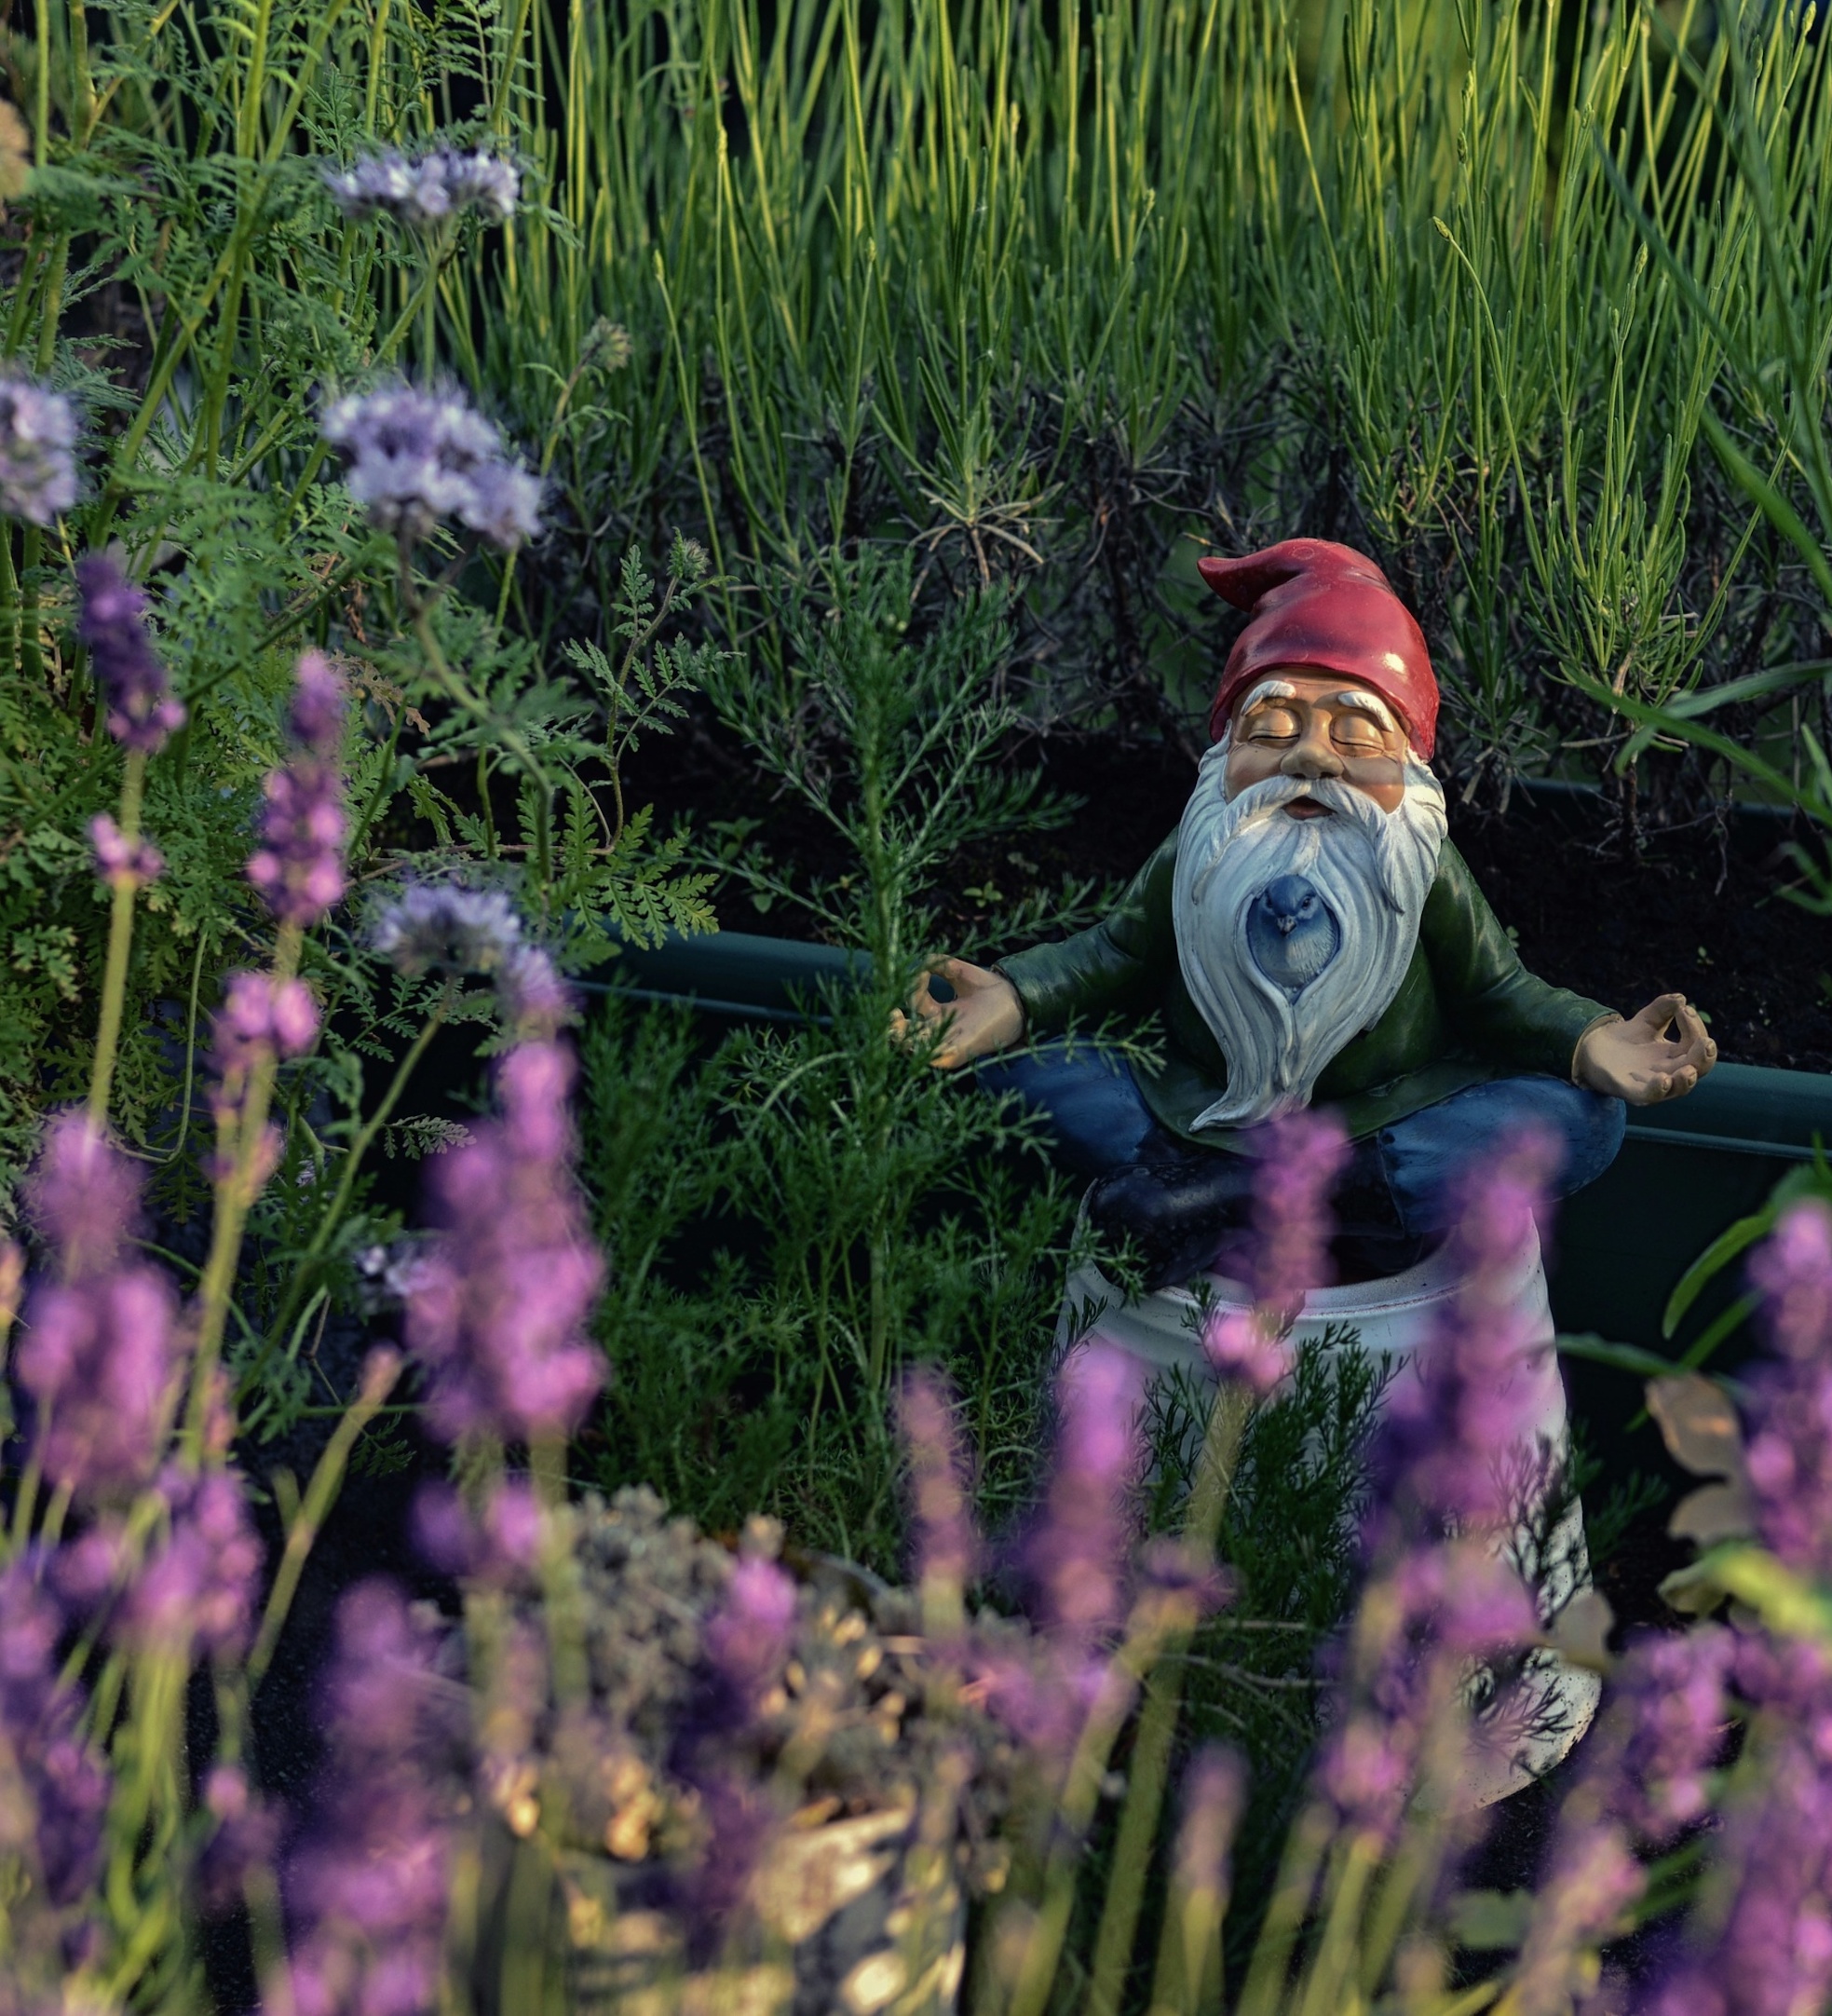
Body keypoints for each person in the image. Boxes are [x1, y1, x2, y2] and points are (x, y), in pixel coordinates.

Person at [900, 538, 1717, 1289]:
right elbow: (1112, 953)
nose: (1309, 757)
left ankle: (1219, 1205)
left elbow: (1497, 994)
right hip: (1197, 1112)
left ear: (1405, 761)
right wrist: (1009, 998)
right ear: (1226, 754)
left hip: (1375, 1124)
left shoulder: (1420, 865)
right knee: (1007, 1074)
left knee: (1579, 1120)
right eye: (1273, 725)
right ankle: (1233, 1193)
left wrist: (1587, 1037)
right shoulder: (1200, 854)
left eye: (1353, 733)